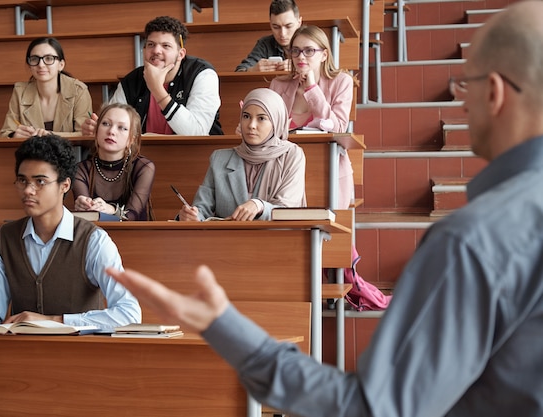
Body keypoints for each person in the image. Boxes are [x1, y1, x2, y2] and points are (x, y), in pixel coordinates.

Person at [107, 2, 543, 415]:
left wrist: (225, 327)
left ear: (497, 94)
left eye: (467, 84)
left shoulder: (472, 241)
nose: (462, 103)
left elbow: (375, 408)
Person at [0, 134, 141, 330]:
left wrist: (54, 321)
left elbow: (130, 314)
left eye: (40, 181)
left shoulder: (93, 240)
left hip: (83, 355)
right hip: (21, 356)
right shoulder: (4, 239)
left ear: (65, 185)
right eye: (22, 180)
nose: (28, 190)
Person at [82, 16, 223, 136]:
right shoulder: (132, 80)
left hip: (197, 160)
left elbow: (196, 133)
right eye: (150, 44)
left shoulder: (202, 74)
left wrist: (157, 90)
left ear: (180, 54)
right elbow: (111, 124)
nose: (156, 50)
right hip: (142, 159)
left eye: (166, 46)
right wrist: (99, 128)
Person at [179, 88, 305, 221]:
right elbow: (202, 208)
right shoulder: (219, 159)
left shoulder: (291, 155)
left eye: (261, 118)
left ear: (276, 122)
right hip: (227, 240)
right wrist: (192, 216)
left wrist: (259, 205)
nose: (251, 125)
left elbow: (289, 210)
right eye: (246, 116)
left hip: (276, 239)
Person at [270, 24, 355, 209]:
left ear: (324, 55)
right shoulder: (278, 84)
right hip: (284, 172)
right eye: (296, 51)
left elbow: (338, 127)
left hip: (328, 172)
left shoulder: (342, 82)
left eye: (309, 51)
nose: (301, 57)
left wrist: (312, 89)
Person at [73, 103, 155, 221]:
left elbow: (132, 216)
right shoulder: (81, 169)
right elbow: (87, 219)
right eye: (106, 124)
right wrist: (83, 206)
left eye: (122, 128)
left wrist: (112, 210)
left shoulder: (143, 167)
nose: (111, 131)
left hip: (135, 236)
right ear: (96, 131)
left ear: (131, 139)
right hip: (94, 235)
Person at [0, 37, 92, 139]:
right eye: (35, 59)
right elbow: (5, 134)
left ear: (61, 65)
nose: (41, 65)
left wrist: (49, 136)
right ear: (30, 65)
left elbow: (85, 134)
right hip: (31, 154)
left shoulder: (78, 91)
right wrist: (14, 135)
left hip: (70, 153)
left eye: (49, 58)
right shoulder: (20, 91)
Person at [235, 0, 302, 72]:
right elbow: (239, 71)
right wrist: (253, 70)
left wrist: (297, 68)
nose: (283, 34)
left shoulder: (311, 41)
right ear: (270, 24)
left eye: (288, 26)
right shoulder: (265, 44)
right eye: (276, 27)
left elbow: (315, 69)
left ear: (299, 23)